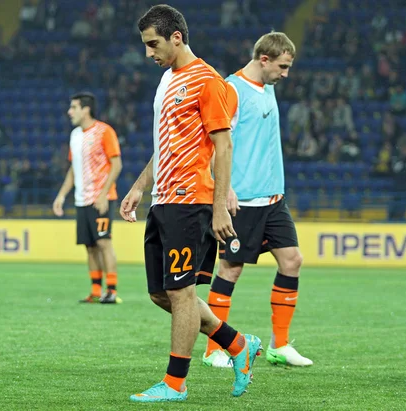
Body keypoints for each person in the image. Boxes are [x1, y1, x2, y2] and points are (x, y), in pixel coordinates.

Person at [119, 5, 262, 403]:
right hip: (162, 201)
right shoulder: (166, 81)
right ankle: (237, 345)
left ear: (176, 37)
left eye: (153, 44)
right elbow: (164, 145)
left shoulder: (208, 81)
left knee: (181, 294)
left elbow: (224, 144)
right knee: (161, 294)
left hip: (191, 202)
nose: (148, 53)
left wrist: (219, 206)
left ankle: (175, 383)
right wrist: (138, 187)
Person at [202, 32, 313, 368]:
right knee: (231, 269)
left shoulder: (267, 87)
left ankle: (280, 346)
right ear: (264, 59)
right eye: (282, 66)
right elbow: (213, 143)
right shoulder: (232, 89)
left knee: (292, 260)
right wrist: (226, 188)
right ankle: (214, 350)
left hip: (273, 198)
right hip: (243, 200)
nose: (286, 73)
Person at [53, 92, 123, 304]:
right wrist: (61, 195)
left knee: (104, 243)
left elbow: (117, 164)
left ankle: (111, 291)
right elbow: (73, 170)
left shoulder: (104, 131)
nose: (69, 112)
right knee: (90, 247)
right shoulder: (75, 135)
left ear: (86, 109)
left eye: (73, 107)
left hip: (100, 199)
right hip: (81, 199)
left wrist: (103, 195)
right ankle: (95, 291)